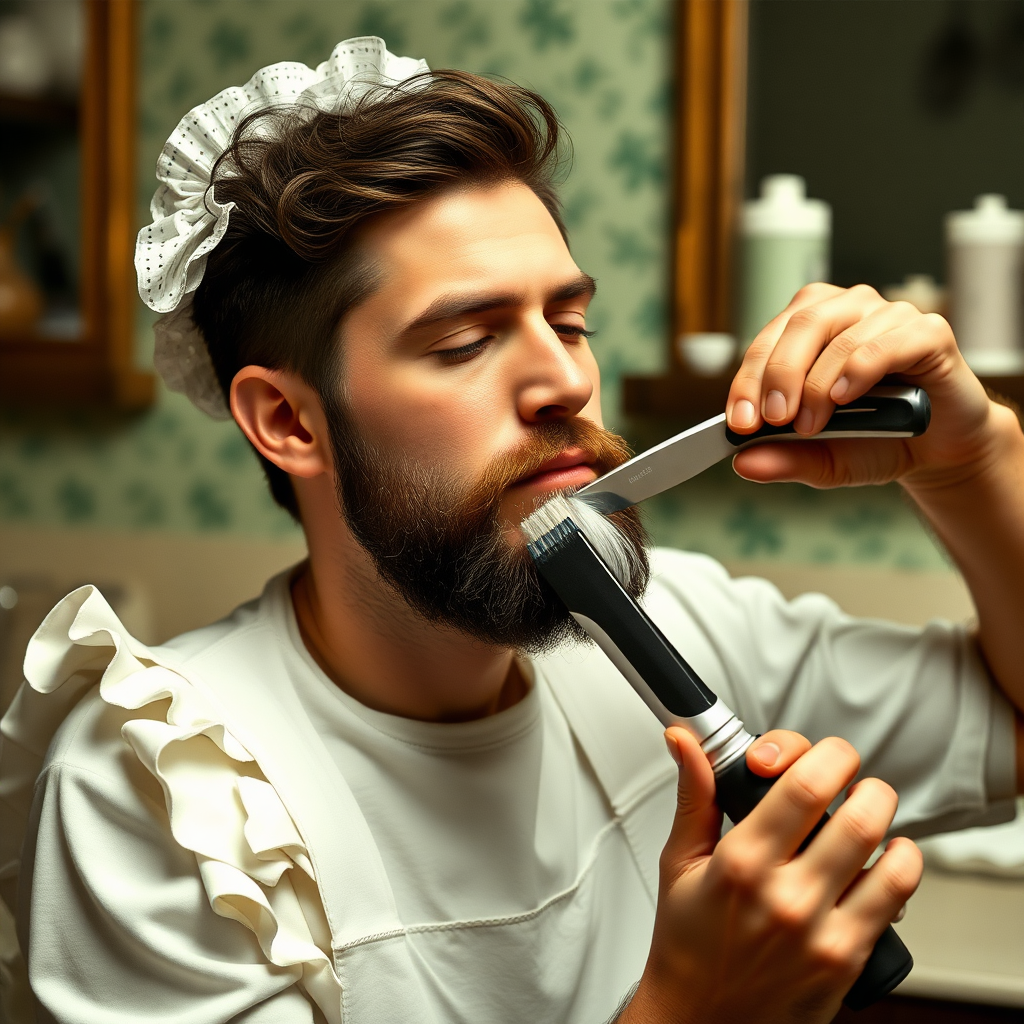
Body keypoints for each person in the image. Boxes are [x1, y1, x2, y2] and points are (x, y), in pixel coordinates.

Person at [1, 38, 1022, 1024]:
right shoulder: (161, 797)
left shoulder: (677, 625)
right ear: (289, 421)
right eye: (465, 340)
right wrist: (699, 1006)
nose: (568, 380)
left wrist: (980, 464)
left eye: (569, 322)